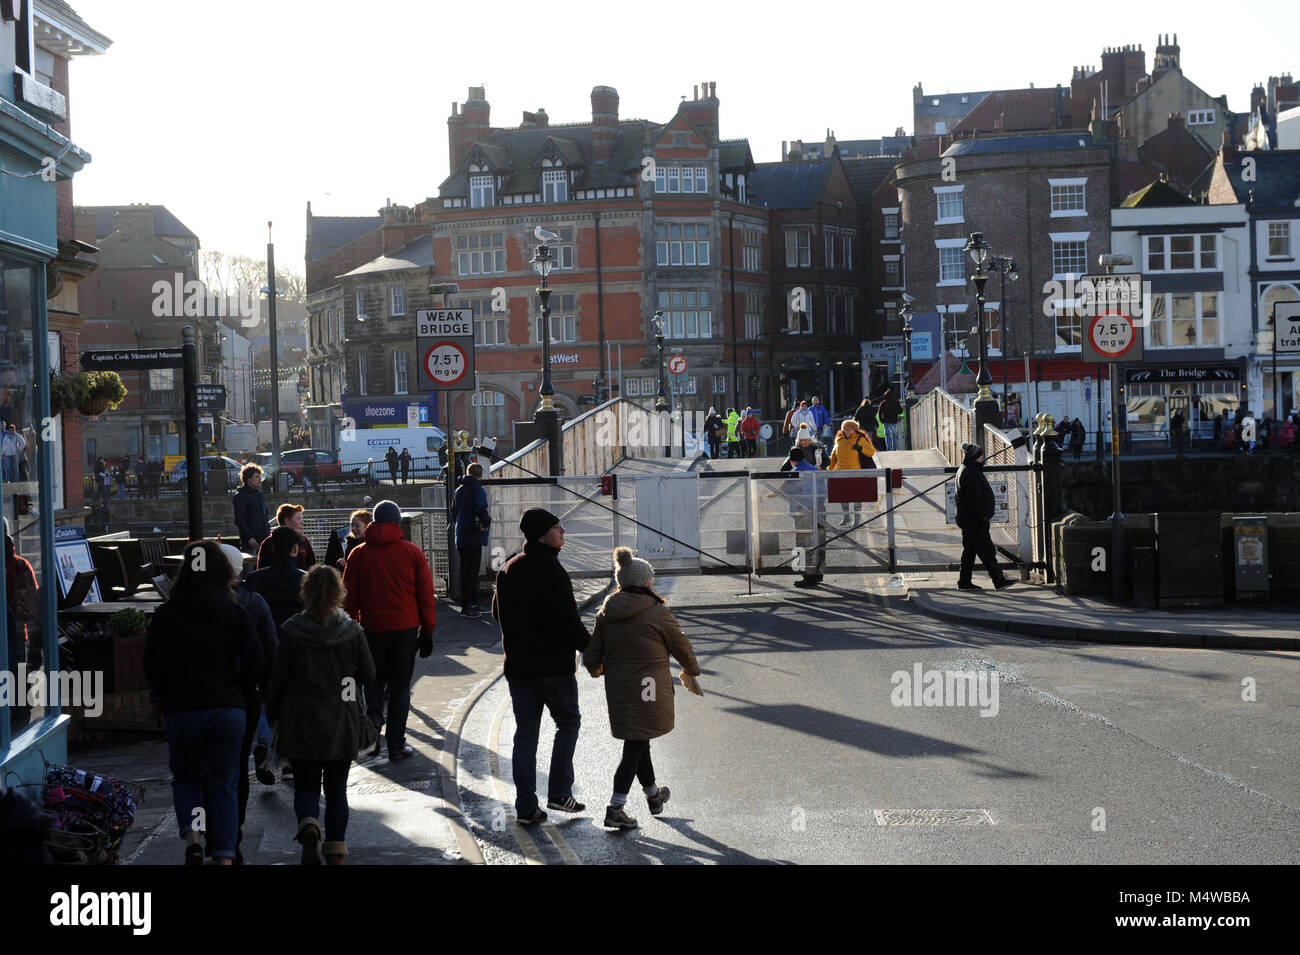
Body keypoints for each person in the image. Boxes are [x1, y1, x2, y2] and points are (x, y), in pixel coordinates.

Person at [144, 540, 262, 865]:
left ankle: (194, 840)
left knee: (186, 779)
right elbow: (255, 660)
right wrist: (239, 688)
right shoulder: (234, 611)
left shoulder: (166, 614)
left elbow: (152, 664)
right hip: (227, 707)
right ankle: (224, 857)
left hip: (181, 708)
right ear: (223, 571)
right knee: (223, 784)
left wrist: (164, 694)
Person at [583, 547, 702, 830]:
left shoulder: (605, 612)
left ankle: (653, 796)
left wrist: (602, 671)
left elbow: (591, 658)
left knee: (639, 739)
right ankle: (616, 806)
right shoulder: (656, 611)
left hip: (620, 688)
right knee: (636, 743)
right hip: (648, 687)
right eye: (650, 578)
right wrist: (691, 671)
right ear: (643, 582)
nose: (653, 581)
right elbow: (680, 644)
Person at [267, 565, 375, 865]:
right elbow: (368, 673)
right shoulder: (352, 631)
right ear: (339, 591)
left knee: (306, 784)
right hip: (341, 718)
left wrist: (272, 711)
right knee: (337, 789)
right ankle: (337, 850)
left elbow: (279, 678)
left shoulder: (291, 629)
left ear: (306, 591)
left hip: (302, 716)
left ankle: (310, 826)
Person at [491, 508, 591, 824]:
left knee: (525, 738)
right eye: (557, 527)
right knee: (568, 723)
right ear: (541, 534)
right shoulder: (553, 571)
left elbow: (496, 614)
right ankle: (560, 793)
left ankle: (526, 807)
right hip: (554, 669)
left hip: (520, 669)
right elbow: (569, 621)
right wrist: (594, 651)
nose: (563, 531)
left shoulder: (508, 569)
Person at [342, 500, 436, 761]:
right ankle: (396, 744)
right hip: (405, 629)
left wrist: (348, 629)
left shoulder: (358, 554)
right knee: (400, 687)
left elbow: (349, 598)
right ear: (397, 522)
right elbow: (425, 595)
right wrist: (427, 631)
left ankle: (372, 739)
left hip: (371, 629)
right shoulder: (412, 553)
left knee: (373, 683)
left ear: (373, 521)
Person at [216, 545, 279, 855]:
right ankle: (233, 835)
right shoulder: (253, 601)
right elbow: (269, 650)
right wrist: (262, 688)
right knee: (237, 765)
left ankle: (203, 838)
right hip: (241, 696)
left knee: (201, 772)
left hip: (193, 698)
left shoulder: (184, 600)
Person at [955, 443, 1012, 592]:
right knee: (987, 551)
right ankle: (999, 581)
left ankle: (964, 582)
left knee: (969, 552)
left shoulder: (966, 469)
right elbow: (976, 498)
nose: (983, 457)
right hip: (975, 520)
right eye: (981, 455)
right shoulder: (971, 472)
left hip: (968, 519)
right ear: (976, 457)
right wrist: (984, 515)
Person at [772, 447, 825, 588]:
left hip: (801, 513)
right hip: (818, 510)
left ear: (791, 460)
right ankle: (819, 572)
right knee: (819, 541)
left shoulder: (795, 473)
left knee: (804, 542)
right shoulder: (815, 470)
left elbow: (784, 491)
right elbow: (824, 490)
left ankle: (808, 574)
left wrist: (772, 495)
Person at [451, 463, 491, 615]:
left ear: (468, 473)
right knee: (472, 572)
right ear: (480, 475)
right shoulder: (478, 489)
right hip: (473, 535)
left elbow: (454, 512)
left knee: (465, 570)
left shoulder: (459, 490)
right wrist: (487, 521)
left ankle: (466, 604)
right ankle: (471, 605)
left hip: (460, 534)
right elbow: (480, 508)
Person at [828, 418, 876, 527]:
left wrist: (860, 448)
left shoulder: (861, 439)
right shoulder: (839, 440)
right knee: (843, 496)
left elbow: (871, 452)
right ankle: (846, 516)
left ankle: (857, 519)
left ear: (855, 430)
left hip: (856, 473)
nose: (846, 431)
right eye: (845, 429)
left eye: (849, 429)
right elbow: (833, 458)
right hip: (841, 473)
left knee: (856, 497)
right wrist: (829, 470)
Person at [256, 503, 317, 571]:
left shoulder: (303, 540)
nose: (302, 522)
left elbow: (311, 564)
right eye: (298, 519)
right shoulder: (269, 543)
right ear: (287, 521)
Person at [233, 464, 271, 553]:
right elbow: (240, 520)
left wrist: (267, 534)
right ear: (248, 478)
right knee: (249, 565)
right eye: (256, 477)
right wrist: (249, 537)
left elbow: (265, 516)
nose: (260, 480)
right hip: (250, 541)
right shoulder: (240, 496)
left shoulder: (259, 494)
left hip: (263, 538)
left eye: (260, 477)